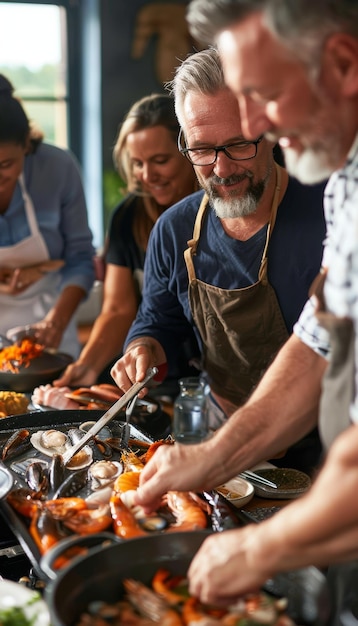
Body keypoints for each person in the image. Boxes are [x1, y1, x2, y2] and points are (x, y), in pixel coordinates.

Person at [123, 1, 358, 620]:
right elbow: (317, 344)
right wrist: (214, 457)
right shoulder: (344, 184)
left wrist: (256, 550)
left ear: (341, 64)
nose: (258, 127)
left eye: (265, 94)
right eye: (205, 147)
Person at [111, 48, 326, 474]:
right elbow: (159, 320)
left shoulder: (329, 218)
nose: (221, 168)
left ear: (269, 131)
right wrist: (144, 347)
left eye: (238, 144)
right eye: (202, 149)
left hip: (325, 443)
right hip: (218, 434)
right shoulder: (175, 230)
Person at [55, 93, 198, 388]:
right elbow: (118, 310)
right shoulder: (128, 217)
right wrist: (86, 366)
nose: (147, 176)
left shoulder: (217, 211)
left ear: (191, 150)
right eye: (137, 163)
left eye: (160, 161)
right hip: (154, 377)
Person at [0, 74, 94, 358]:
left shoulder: (58, 169)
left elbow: (80, 258)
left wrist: (57, 320)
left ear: (26, 146)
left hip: (50, 326)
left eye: (5, 164)